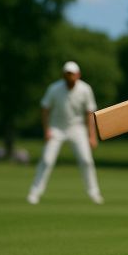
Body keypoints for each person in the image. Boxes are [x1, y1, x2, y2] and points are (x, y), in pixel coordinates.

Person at [27, 61, 103, 205]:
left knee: (86, 161)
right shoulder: (54, 89)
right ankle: (34, 193)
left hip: (77, 128)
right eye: (67, 74)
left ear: (78, 75)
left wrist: (92, 136)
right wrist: (47, 130)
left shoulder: (85, 89)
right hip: (56, 128)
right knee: (47, 160)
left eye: (72, 74)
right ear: (63, 75)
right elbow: (45, 109)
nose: (70, 76)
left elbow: (89, 113)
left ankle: (94, 192)